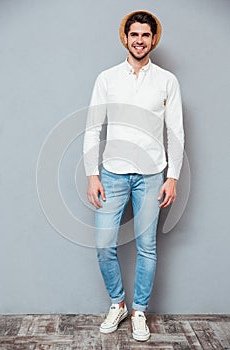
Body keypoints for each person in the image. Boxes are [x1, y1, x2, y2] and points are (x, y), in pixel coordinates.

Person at [83, 10, 184, 342]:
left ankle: (139, 310)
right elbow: (93, 127)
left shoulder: (167, 80)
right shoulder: (107, 78)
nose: (139, 40)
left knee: (147, 247)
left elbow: (176, 133)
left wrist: (173, 177)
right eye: (134, 34)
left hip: (152, 175)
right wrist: (92, 174)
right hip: (112, 174)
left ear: (153, 39)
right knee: (103, 245)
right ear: (125, 38)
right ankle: (118, 303)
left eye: (145, 35)